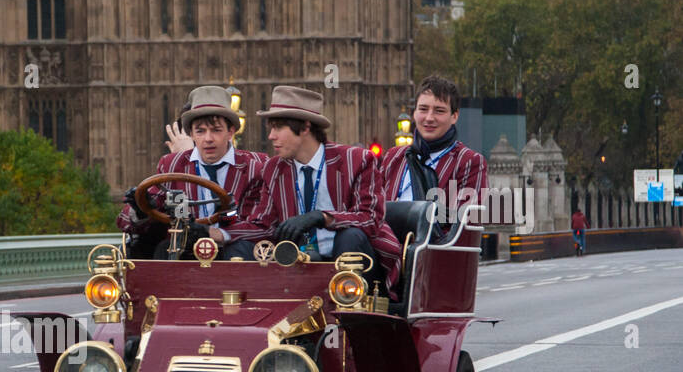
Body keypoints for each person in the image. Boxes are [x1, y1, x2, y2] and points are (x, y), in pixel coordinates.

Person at [224, 86, 403, 293]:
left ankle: (348, 309)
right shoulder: (274, 169)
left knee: (350, 236)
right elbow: (264, 226)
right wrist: (218, 233)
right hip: (298, 262)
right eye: (270, 128)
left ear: (305, 127)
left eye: (278, 128)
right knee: (239, 247)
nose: (271, 136)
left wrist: (322, 218)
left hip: (355, 264)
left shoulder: (357, 160)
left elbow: (370, 219)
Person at [118, 85, 268, 259]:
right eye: (200, 131)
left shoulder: (255, 166)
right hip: (183, 249)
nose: (208, 139)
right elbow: (125, 222)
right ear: (191, 134)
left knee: (240, 251)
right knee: (161, 250)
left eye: (216, 130)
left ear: (231, 132)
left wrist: (217, 228)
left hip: (231, 249)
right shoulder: (172, 164)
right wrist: (140, 209)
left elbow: (260, 223)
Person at [380, 76, 488, 233]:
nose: (429, 118)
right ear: (414, 113)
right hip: (384, 244)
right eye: (423, 109)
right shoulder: (393, 157)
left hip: (432, 250)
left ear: (455, 116)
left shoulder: (470, 162)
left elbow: (466, 224)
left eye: (439, 111)